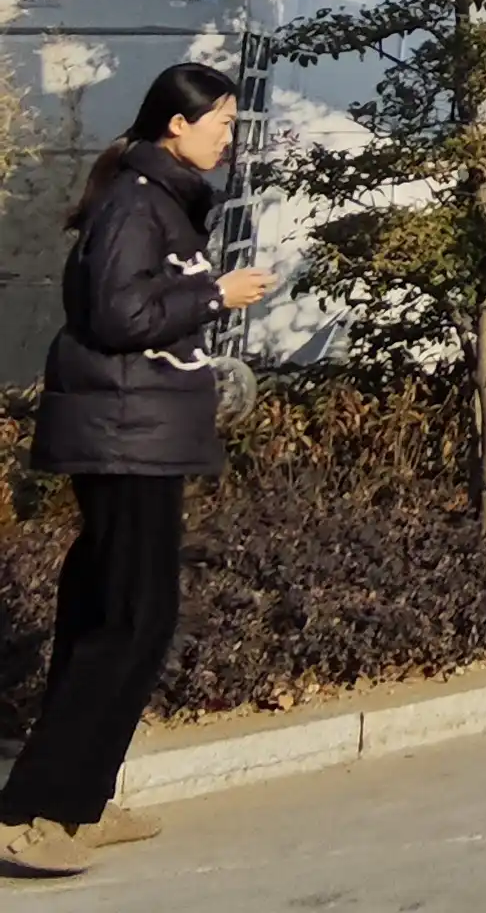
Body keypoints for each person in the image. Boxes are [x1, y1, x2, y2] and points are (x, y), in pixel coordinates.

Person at [0, 66, 272, 878]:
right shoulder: (135, 204)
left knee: (110, 620)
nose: (229, 132)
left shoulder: (163, 200)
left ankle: (81, 804)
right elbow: (118, 315)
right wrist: (217, 296)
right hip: (123, 438)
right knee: (131, 624)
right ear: (176, 126)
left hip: (142, 435)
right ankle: (34, 813)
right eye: (219, 119)